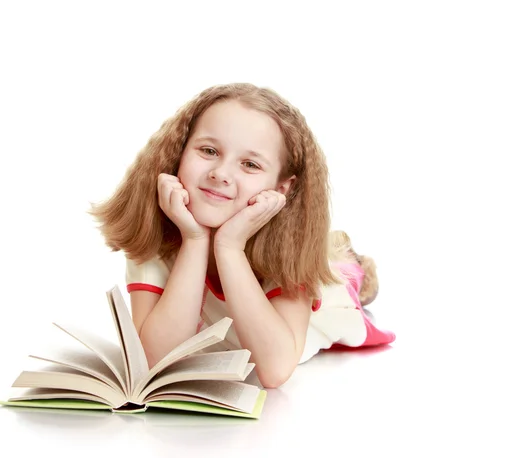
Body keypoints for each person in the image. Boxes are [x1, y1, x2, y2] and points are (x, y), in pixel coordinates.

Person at [90, 83, 394, 388]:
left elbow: (275, 370)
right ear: (179, 153)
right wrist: (195, 240)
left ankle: (352, 261)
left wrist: (230, 247)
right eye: (208, 150)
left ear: (280, 189)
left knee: (343, 274)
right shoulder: (156, 235)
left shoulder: (290, 251)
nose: (220, 173)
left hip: (326, 295)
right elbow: (154, 361)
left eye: (250, 164)